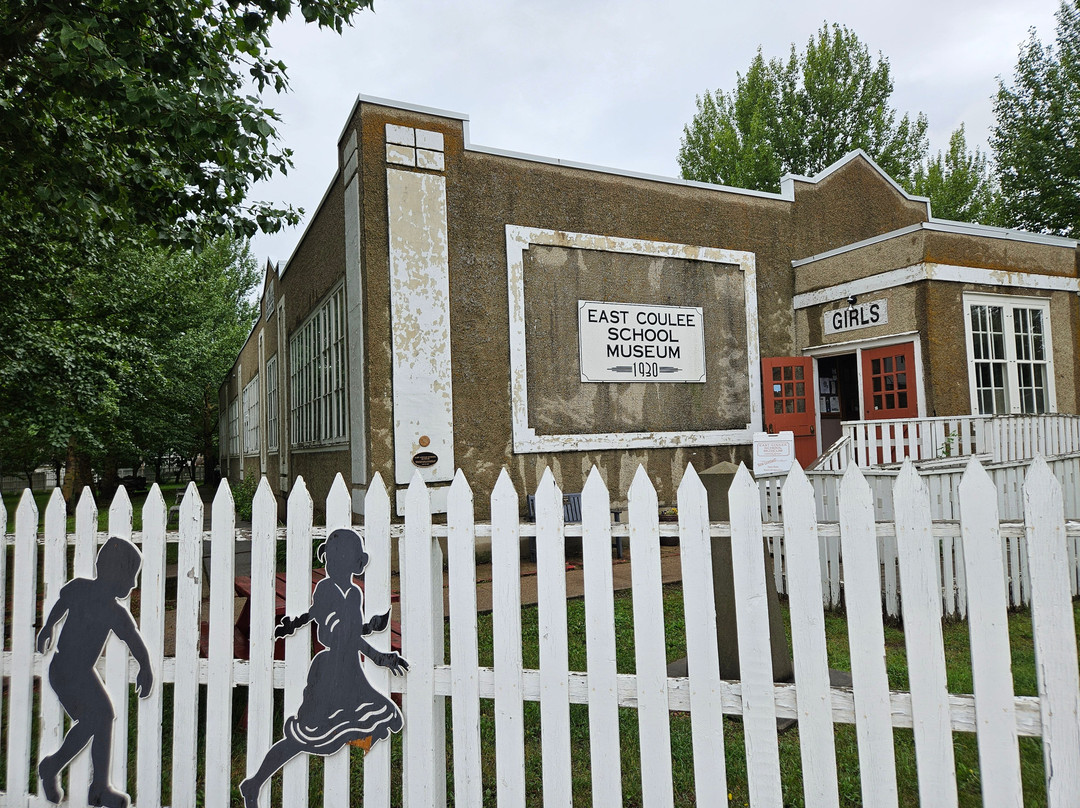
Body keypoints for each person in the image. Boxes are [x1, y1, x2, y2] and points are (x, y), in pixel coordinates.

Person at [240, 527, 408, 808]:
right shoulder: (326, 588)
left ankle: (357, 757)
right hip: (330, 670)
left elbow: (350, 631)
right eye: (331, 560)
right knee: (303, 738)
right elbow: (326, 624)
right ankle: (254, 783)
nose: (333, 566)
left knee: (384, 720)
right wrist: (379, 657)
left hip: (351, 671)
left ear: (354, 564)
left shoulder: (354, 594)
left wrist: (369, 628)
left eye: (338, 561)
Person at [36, 536, 153, 808]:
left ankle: (99, 787)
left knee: (103, 717)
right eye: (129, 576)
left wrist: (145, 666)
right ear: (112, 572)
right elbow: (60, 605)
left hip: (82, 672)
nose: (133, 584)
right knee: (95, 719)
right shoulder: (79, 589)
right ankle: (53, 766)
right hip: (64, 669)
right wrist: (48, 627)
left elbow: (134, 640)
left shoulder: (115, 612)